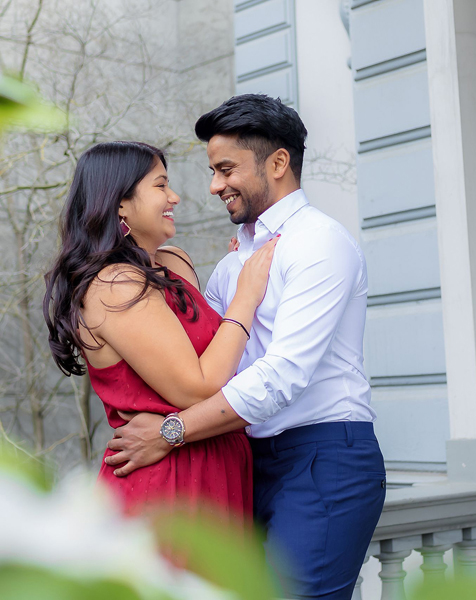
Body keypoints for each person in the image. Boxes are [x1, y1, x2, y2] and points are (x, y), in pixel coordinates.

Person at [105, 95, 386, 600]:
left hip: (322, 457)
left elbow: (282, 375)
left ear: (277, 163)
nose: (214, 186)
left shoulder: (319, 243)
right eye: (213, 171)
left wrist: (171, 431)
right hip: (244, 460)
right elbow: (205, 356)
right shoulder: (234, 263)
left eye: (226, 170)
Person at [43, 141, 276, 521]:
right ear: (120, 203)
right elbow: (198, 387)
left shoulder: (174, 263)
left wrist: (237, 270)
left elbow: (216, 349)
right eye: (160, 185)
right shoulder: (116, 285)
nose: (174, 197)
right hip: (168, 481)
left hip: (222, 462)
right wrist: (245, 297)